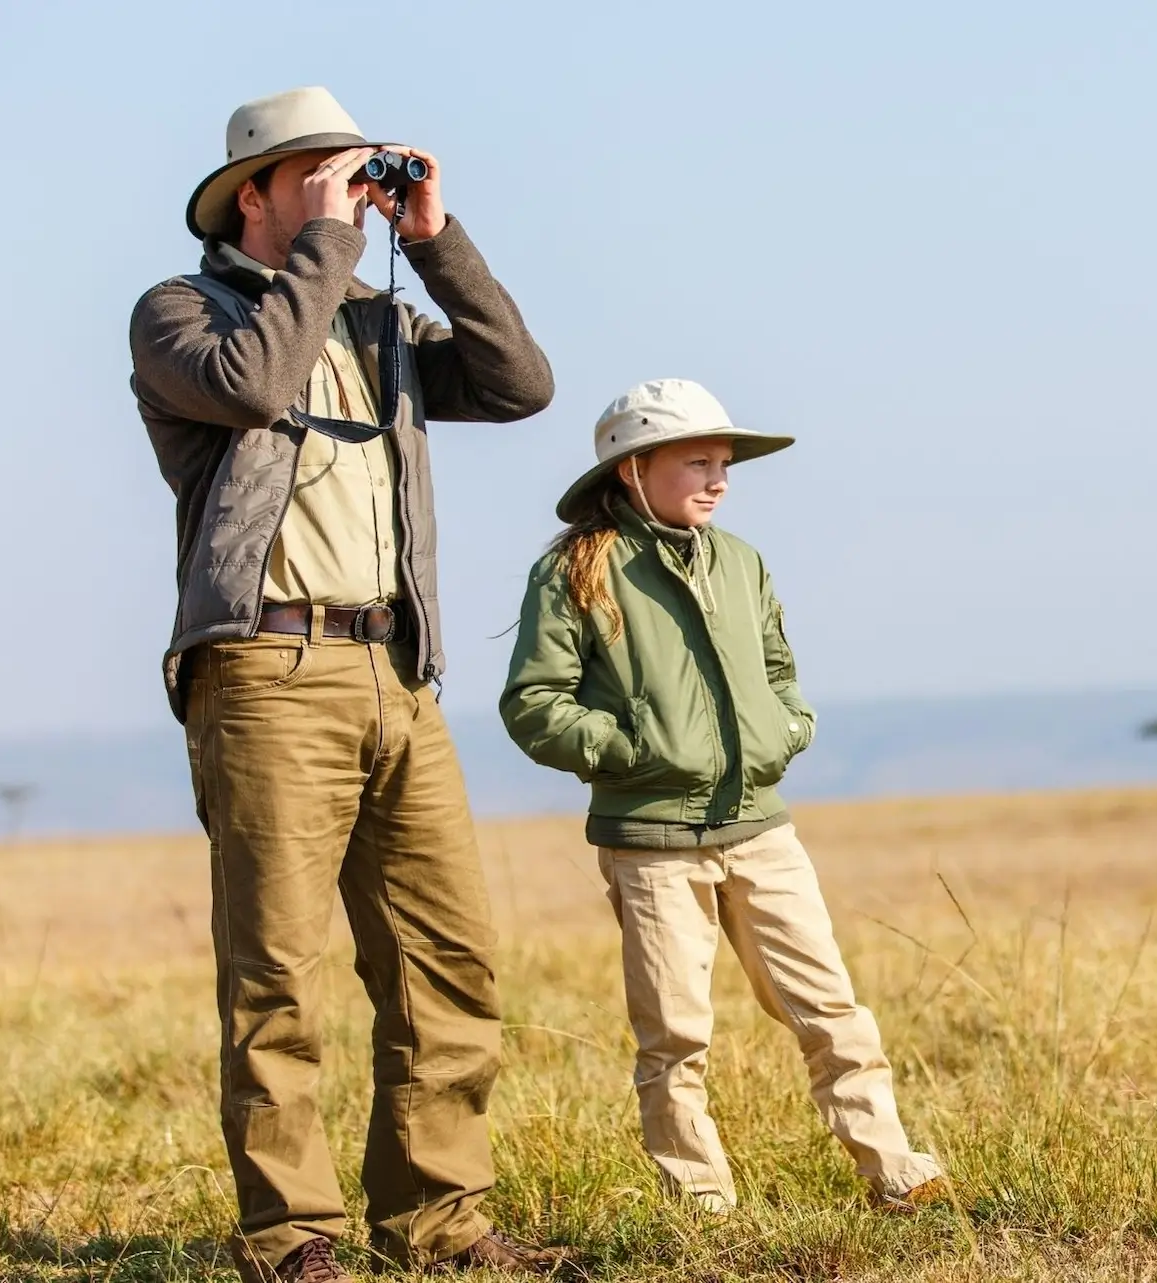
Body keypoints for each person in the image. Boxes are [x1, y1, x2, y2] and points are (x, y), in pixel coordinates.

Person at [129, 87, 561, 1281]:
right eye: (314, 171)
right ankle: (290, 1235)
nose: (341, 186)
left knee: (446, 955)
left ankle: (439, 1216)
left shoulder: (377, 321)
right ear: (252, 194)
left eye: (351, 168)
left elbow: (522, 382)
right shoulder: (180, 315)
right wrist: (327, 245)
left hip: (394, 668)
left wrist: (432, 237)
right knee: (277, 968)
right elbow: (255, 386)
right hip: (267, 667)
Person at [500, 378, 947, 1213]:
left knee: (830, 1006)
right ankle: (699, 1200)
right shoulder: (574, 570)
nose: (720, 479)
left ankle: (895, 1170)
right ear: (634, 470)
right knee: (674, 1032)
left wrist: (790, 728)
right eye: (698, 460)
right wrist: (631, 749)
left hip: (761, 831)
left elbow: (779, 671)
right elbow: (533, 702)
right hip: (650, 843)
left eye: (725, 462)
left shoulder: (740, 562)